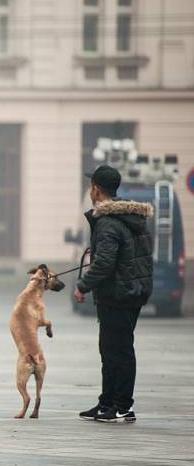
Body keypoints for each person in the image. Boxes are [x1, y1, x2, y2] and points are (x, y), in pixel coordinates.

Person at [75, 165, 153, 424]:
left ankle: (122, 406)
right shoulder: (130, 217)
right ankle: (107, 402)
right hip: (129, 292)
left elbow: (105, 263)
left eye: (91, 186)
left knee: (118, 351)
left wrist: (83, 285)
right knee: (110, 349)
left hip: (118, 294)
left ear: (96, 189)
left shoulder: (108, 222)